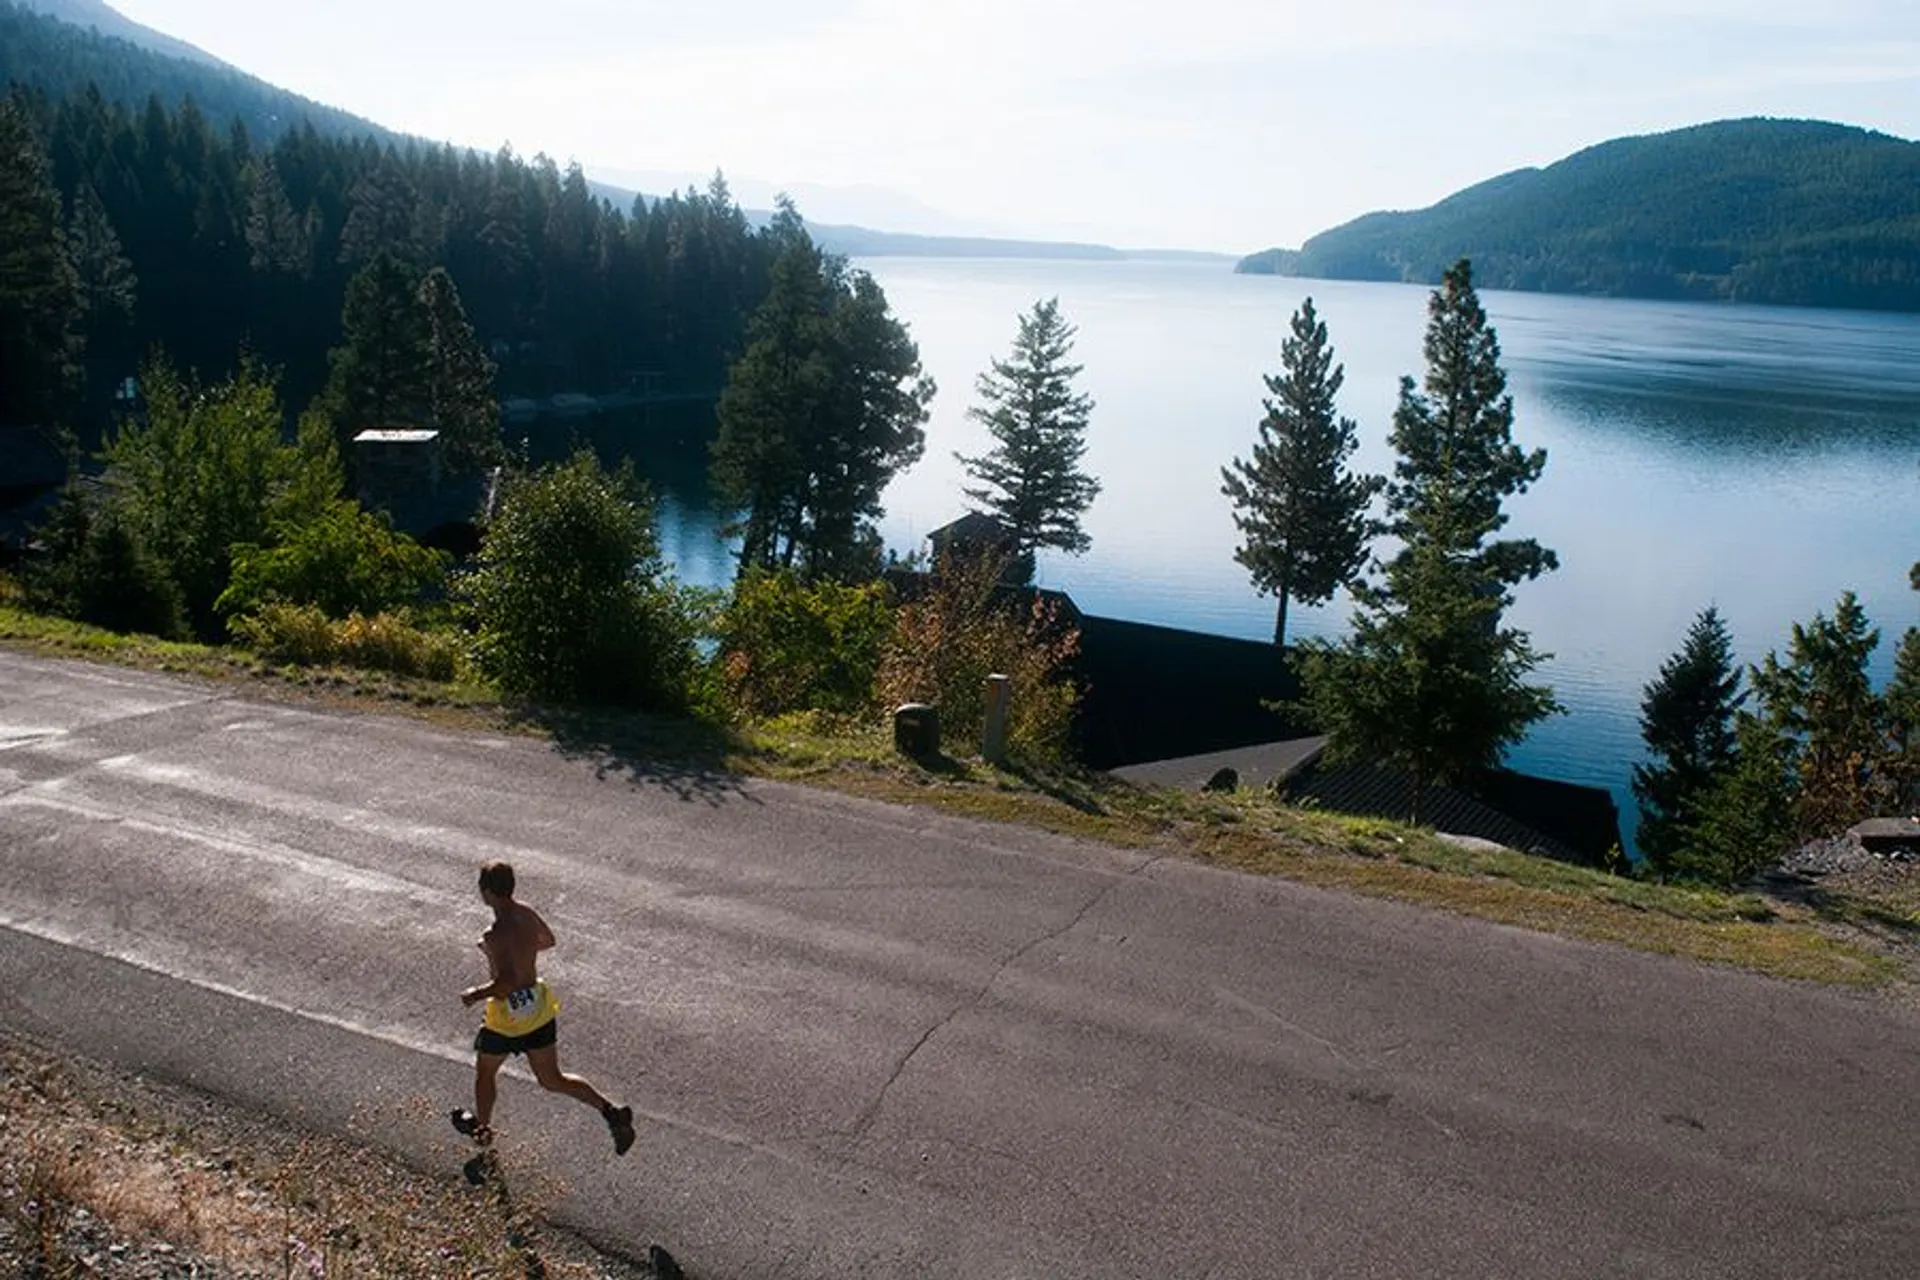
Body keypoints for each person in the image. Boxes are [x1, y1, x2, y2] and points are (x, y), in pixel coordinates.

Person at [451, 860, 635, 1155]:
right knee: (552, 1079)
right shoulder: (525, 913)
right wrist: (521, 952)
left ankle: (483, 1139)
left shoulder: (494, 934)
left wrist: (475, 993)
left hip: (507, 1017)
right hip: (538, 1009)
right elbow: (548, 940)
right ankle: (612, 1113)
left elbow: (506, 982)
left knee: (485, 1072)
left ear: (486, 892)